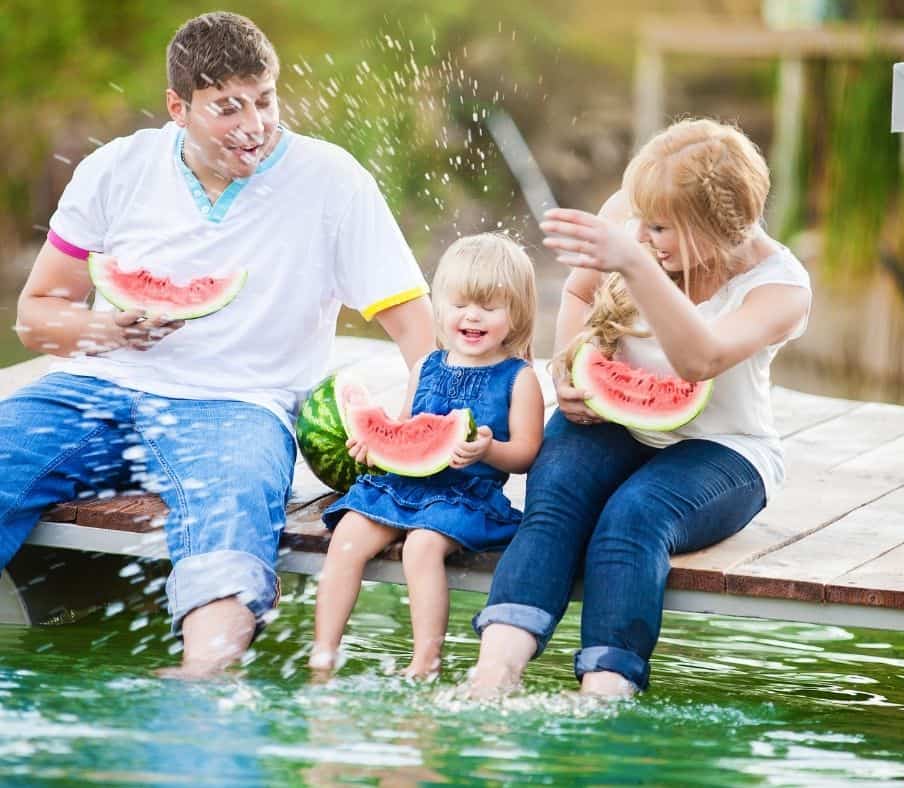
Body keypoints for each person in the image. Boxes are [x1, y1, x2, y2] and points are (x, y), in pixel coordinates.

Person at [1, 12, 435, 678]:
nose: (254, 125)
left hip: (240, 407)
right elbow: (36, 315)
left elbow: (415, 327)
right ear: (179, 106)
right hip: (95, 388)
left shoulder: (332, 180)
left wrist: (424, 425)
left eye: (264, 101)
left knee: (230, 526)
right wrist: (102, 328)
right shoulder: (116, 168)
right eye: (227, 108)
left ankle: (200, 682)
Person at [468, 118, 812, 698]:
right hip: (612, 421)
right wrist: (567, 366)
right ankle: (492, 675)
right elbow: (579, 292)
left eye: (661, 227)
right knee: (553, 506)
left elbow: (699, 362)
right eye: (642, 220)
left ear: (714, 224)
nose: (644, 232)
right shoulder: (633, 219)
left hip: (725, 451)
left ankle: (605, 693)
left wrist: (635, 264)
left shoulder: (779, 286)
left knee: (633, 518)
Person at [311, 233, 544, 679]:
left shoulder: (520, 378)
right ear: (440, 308)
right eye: (460, 304)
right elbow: (404, 430)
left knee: (419, 548)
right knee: (345, 540)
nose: (471, 315)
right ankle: (323, 652)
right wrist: (373, 450)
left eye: (489, 307)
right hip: (402, 486)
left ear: (516, 314)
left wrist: (489, 449)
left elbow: (526, 454)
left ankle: (425, 661)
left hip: (464, 497)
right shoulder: (426, 366)